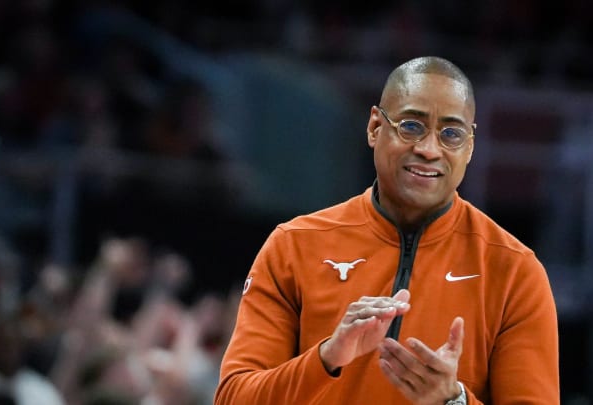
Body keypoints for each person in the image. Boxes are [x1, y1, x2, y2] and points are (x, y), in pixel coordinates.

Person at [214, 56, 559, 404]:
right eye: (411, 126)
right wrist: (327, 358)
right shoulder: (293, 247)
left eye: (451, 134)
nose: (427, 149)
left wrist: (453, 401)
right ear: (375, 128)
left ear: (469, 147)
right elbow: (233, 398)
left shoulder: (515, 272)